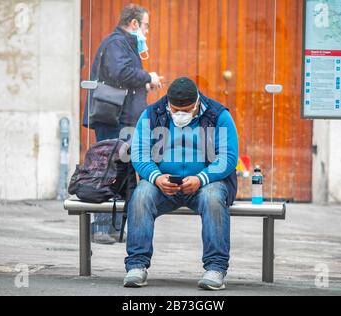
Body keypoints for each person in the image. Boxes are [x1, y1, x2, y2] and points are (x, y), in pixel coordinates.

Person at [124, 77, 239, 290]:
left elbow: (228, 157)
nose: (180, 115)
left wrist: (201, 178)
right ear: (168, 102)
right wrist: (156, 177)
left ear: (197, 103)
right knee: (141, 194)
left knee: (213, 197)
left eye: (186, 110)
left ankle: (216, 268)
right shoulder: (151, 114)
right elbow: (139, 154)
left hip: (206, 184)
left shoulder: (219, 115)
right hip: (163, 185)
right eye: (175, 109)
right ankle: (136, 265)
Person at [82, 4, 164, 245]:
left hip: (124, 118)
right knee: (108, 168)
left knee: (124, 171)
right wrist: (148, 76)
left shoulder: (124, 44)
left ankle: (115, 227)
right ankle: (101, 227)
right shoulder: (116, 43)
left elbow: (123, 79)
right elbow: (120, 73)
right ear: (135, 24)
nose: (147, 32)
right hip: (114, 119)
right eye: (146, 26)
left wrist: (145, 84)